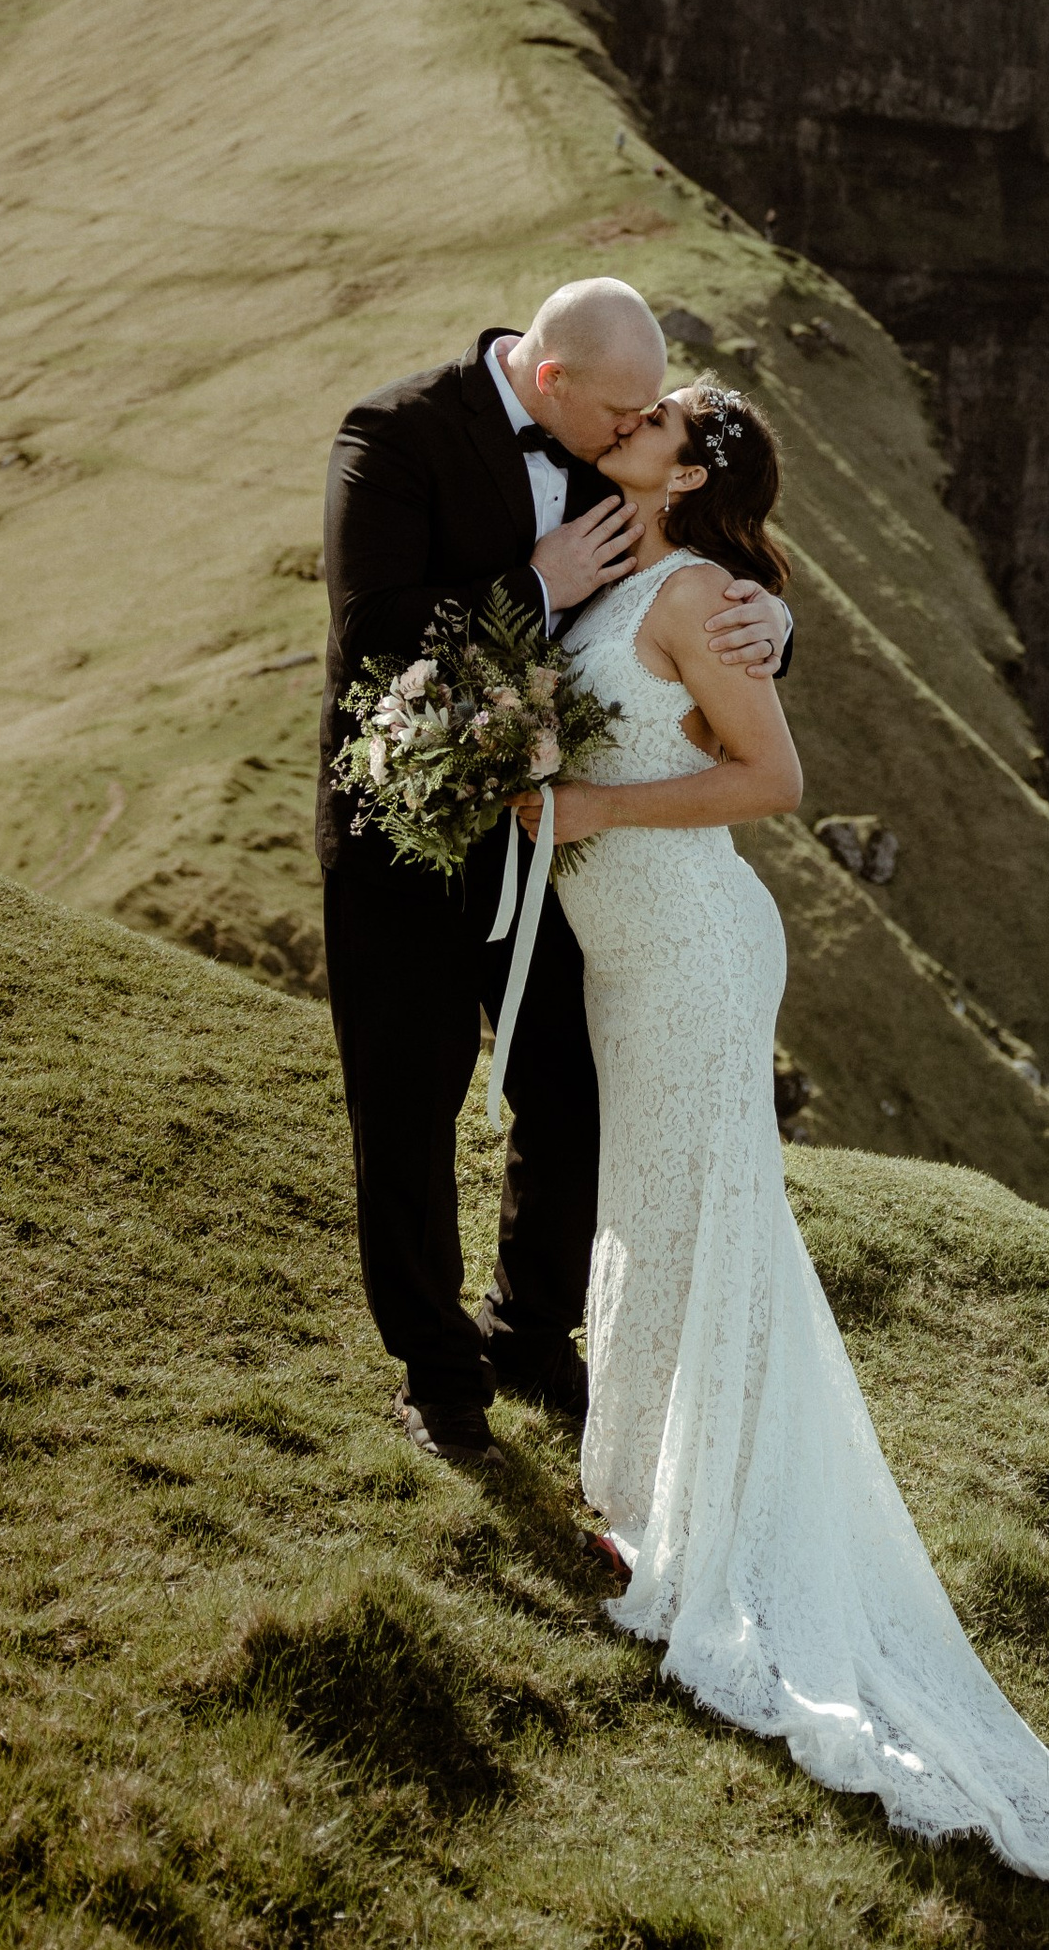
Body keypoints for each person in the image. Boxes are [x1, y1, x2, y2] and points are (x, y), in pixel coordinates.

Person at [516, 375, 1049, 1889]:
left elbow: (777, 777)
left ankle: (684, 1515)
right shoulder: (621, 555)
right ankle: (639, 1485)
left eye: (650, 427)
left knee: (703, 1210)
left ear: (692, 471)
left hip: (690, 934)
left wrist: (588, 811)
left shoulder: (695, 589)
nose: (620, 427)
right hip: (631, 944)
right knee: (656, 1203)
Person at [318, 277, 792, 1460]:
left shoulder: (615, 450)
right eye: (619, 413)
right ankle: (437, 1378)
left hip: (563, 861)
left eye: (648, 419)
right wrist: (537, 584)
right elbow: (375, 628)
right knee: (409, 1104)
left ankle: (529, 1330)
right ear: (551, 382)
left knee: (572, 1094)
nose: (631, 433)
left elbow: (702, 554)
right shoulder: (391, 433)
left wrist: (772, 621)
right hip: (406, 840)